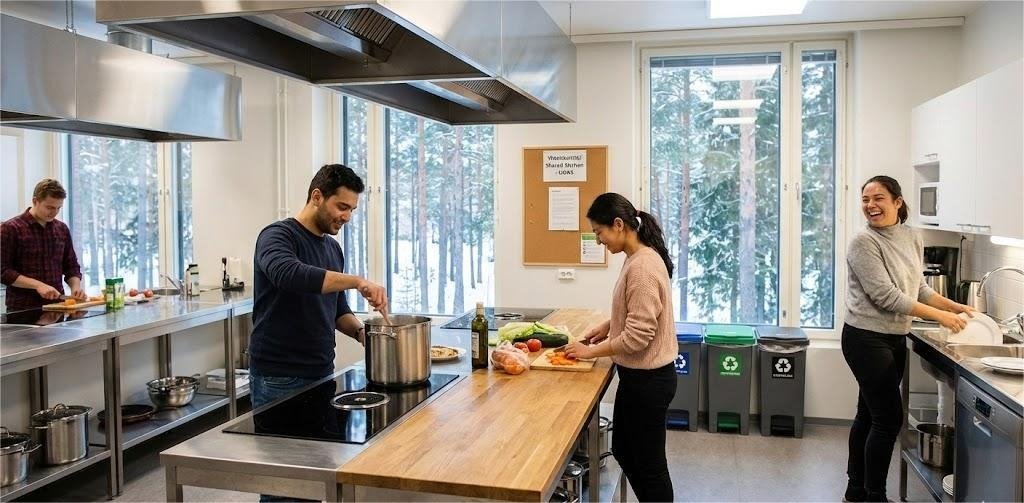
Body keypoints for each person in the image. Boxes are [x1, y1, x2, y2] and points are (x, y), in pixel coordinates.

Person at [842, 175, 975, 502]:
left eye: (879, 199)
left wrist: (957, 307)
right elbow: (885, 296)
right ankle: (875, 495)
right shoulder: (864, 242)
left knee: (869, 414)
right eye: (865, 200)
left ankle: (855, 489)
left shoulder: (912, 237)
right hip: (865, 337)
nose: (870, 206)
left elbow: (917, 288)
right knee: (888, 420)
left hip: (894, 337)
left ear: (897, 202)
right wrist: (942, 317)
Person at [564, 193, 678, 503]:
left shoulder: (642, 267)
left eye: (599, 232)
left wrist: (590, 352)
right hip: (638, 378)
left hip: (650, 381)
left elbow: (639, 336)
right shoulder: (637, 258)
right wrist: (607, 327)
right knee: (625, 450)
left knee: (650, 467)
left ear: (618, 225)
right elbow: (634, 315)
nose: (599, 240)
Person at [249, 163, 388, 411]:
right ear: (317, 196)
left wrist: (361, 334)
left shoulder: (333, 248)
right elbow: (289, 274)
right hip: (277, 377)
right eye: (342, 207)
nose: (347, 217)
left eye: (352, 210)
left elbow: (337, 309)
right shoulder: (277, 236)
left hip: (322, 369)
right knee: (282, 450)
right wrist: (358, 281)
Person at [1, 178, 86, 312]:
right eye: (50, 207)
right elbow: (3, 271)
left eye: (58, 208)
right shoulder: (10, 229)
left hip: (57, 307)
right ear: (35, 201)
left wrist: (75, 287)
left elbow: (71, 266)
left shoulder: (62, 229)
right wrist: (38, 285)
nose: (54, 212)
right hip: (22, 309)